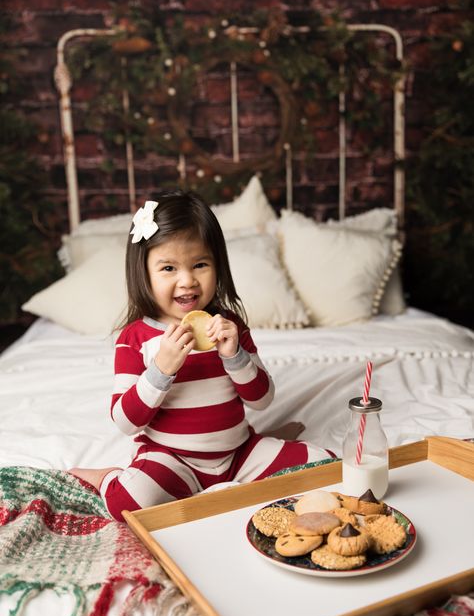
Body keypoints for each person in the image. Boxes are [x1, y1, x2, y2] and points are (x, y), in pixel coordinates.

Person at [70, 191, 334, 520]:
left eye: (200, 264)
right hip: (172, 459)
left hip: (238, 453)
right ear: (144, 273)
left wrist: (235, 356)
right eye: (168, 267)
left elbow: (263, 400)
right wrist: (160, 370)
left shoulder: (229, 327)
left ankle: (270, 441)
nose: (187, 280)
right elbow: (125, 421)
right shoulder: (135, 339)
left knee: (325, 465)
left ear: (217, 264)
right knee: (128, 504)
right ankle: (105, 476)